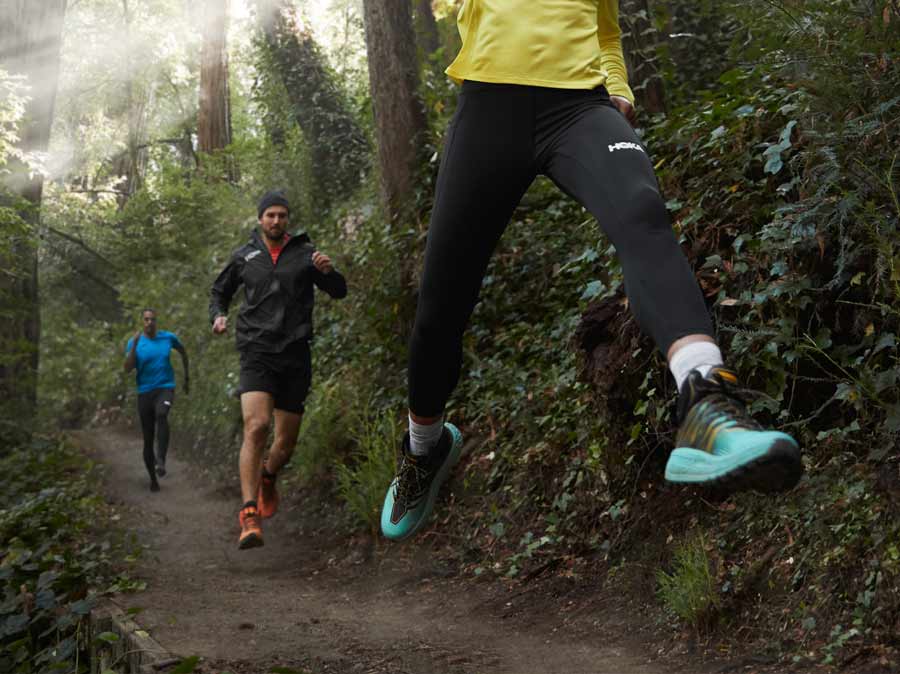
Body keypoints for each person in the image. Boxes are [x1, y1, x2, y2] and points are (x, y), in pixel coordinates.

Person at [380, 0, 803, 541]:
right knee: (442, 299)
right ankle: (424, 449)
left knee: (642, 212)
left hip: (580, 109)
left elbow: (605, 31)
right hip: (488, 107)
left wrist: (619, 89)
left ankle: (707, 404)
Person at [209, 191, 347, 550]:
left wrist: (329, 273)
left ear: (288, 219)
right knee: (256, 426)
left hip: (295, 354)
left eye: (282, 215)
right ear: (260, 219)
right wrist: (218, 315)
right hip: (256, 351)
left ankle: (268, 477)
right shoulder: (245, 256)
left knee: (284, 444)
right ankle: (249, 513)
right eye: (270, 215)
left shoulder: (305, 254)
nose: (276, 221)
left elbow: (339, 291)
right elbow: (219, 292)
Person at [124, 308, 189, 491]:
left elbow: (183, 352)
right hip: (145, 392)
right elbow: (128, 368)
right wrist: (135, 346)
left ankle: (161, 459)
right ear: (142, 322)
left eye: (152, 319)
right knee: (147, 438)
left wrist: (186, 378)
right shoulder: (134, 343)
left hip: (165, 388)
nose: (149, 323)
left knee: (162, 414)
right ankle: (153, 479)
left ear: (156, 321)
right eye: (146, 320)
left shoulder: (168, 338)